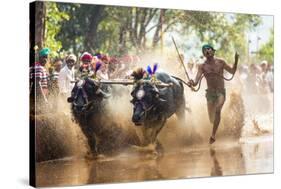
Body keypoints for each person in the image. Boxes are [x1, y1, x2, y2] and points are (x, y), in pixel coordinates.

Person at [188, 44, 239, 144]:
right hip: (210, 93)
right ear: (203, 54)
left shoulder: (221, 62)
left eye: (208, 49)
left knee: (218, 109)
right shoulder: (202, 66)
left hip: (220, 91)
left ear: (213, 51)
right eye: (205, 50)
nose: (207, 51)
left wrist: (236, 61)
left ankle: (213, 135)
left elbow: (232, 71)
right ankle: (219, 127)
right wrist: (192, 83)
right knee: (211, 119)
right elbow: (196, 81)